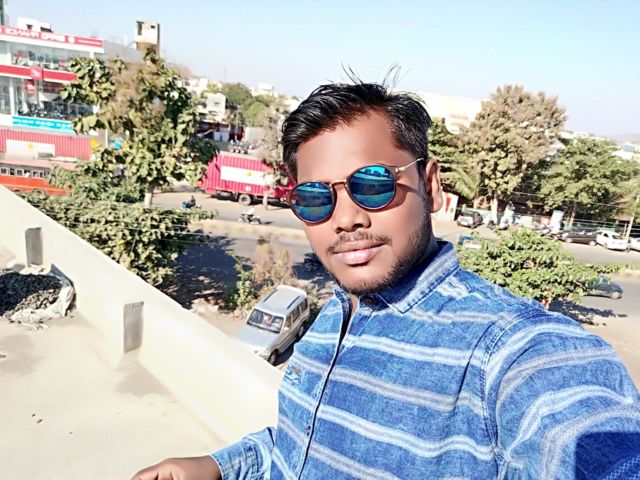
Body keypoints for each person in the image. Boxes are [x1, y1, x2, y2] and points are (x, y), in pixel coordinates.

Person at [132, 82, 640, 480]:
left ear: (431, 185)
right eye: (315, 198)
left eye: (373, 185)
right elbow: (302, 447)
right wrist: (220, 466)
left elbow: (588, 440)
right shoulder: (334, 315)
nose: (345, 218)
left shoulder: (510, 350)